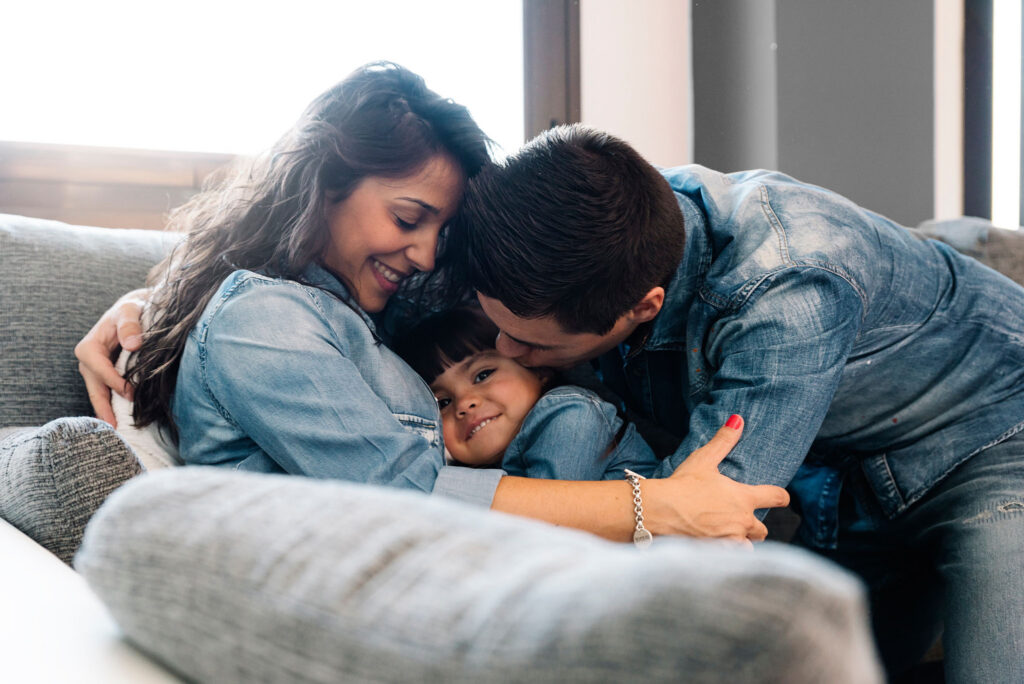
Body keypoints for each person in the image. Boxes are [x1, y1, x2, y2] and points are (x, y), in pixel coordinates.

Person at [74, 66, 789, 545]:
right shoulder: (262, 321)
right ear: (324, 185)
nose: (423, 254)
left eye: (441, 231)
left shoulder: (359, 305)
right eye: (409, 217)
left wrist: (149, 297)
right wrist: (652, 507)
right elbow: (403, 490)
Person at [445, 124, 1024, 681]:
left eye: (533, 343)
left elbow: (708, 520)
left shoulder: (787, 291)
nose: (506, 349)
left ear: (644, 307)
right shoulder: (604, 228)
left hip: (999, 439)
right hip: (849, 472)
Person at [393, 307, 660, 479]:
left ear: (537, 369)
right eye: (443, 402)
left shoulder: (570, 415)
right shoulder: (471, 478)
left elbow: (545, 528)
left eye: (483, 375)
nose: (465, 404)